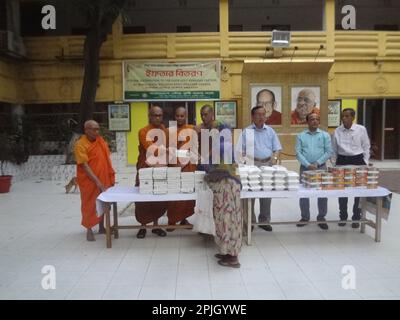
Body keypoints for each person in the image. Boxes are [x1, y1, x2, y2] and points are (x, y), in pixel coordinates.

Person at [236, 105, 282, 232]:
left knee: (266, 193)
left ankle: (264, 220)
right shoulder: (247, 132)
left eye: (263, 114)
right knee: (250, 193)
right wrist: (243, 166)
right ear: (252, 116)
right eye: (258, 114)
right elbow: (240, 151)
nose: (261, 117)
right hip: (252, 164)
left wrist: (275, 158)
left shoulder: (270, 131)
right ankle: (250, 221)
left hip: (268, 164)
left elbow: (277, 148)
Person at [74, 120, 115, 241]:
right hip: (89, 180)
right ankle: (89, 228)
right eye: (94, 129)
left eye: (98, 129)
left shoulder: (100, 141)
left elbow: (105, 159)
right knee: (89, 204)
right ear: (86, 130)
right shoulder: (80, 144)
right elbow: (84, 165)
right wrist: (97, 182)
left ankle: (102, 227)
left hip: (104, 177)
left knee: (104, 203)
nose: (97, 132)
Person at [332, 108, 371, 228]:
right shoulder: (337, 131)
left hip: (357, 160)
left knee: (358, 191)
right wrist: (335, 164)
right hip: (342, 160)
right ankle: (343, 216)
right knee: (342, 191)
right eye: (343, 116)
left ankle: (356, 217)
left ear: (353, 118)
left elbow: (366, 146)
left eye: (347, 116)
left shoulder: (361, 129)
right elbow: (334, 149)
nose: (344, 118)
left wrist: (365, 161)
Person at [135, 106, 168, 239]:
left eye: (160, 115)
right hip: (145, 167)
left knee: (158, 197)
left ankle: (155, 225)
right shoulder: (143, 131)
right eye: (155, 115)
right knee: (143, 197)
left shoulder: (164, 131)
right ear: (150, 116)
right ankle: (143, 226)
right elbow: (150, 148)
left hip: (160, 168)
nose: (158, 118)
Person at [295, 112, 332, 230]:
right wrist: (307, 164)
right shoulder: (301, 136)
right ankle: (305, 217)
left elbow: (329, 151)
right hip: (305, 168)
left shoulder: (325, 135)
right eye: (312, 119)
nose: (315, 121)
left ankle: (321, 217)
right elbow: (298, 152)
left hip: (320, 167)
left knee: (322, 193)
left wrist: (317, 163)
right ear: (307, 121)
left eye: (317, 119)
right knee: (304, 193)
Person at [167, 107, 196, 230]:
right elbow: (167, 149)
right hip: (174, 165)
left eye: (182, 116)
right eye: (177, 116)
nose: (179, 118)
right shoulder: (169, 130)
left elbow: (195, 148)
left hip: (188, 165)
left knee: (188, 194)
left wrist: (185, 162)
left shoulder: (191, 129)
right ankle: (172, 221)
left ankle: (185, 219)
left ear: (186, 116)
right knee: (174, 194)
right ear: (175, 116)